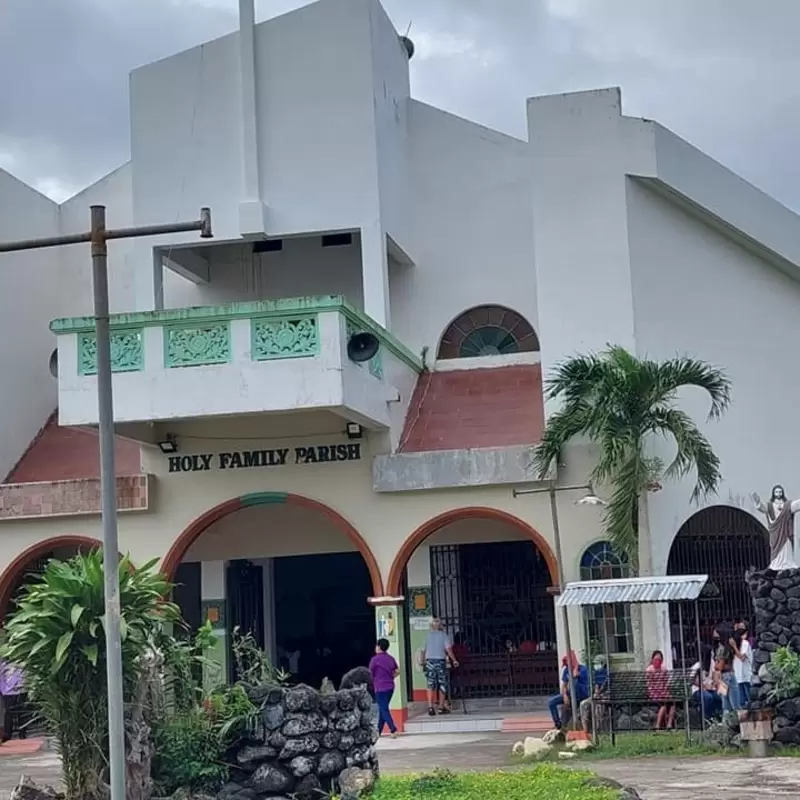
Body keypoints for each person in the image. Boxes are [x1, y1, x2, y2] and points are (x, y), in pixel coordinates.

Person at [421, 618, 459, 717]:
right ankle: (441, 707)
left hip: (430, 662)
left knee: (430, 684)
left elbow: (423, 650)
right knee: (442, 684)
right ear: (440, 626)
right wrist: (454, 660)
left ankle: (430, 706)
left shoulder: (427, 636)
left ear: (431, 626)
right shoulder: (444, 635)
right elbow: (449, 650)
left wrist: (422, 661)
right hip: (440, 661)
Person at [548, 650, 589, 730]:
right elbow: (564, 684)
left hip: (581, 695)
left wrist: (575, 676)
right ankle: (558, 724)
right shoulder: (566, 670)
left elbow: (578, 686)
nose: (567, 666)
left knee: (576, 683)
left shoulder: (583, 669)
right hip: (570, 695)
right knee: (551, 702)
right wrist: (565, 695)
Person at [369, 638, 399, 738]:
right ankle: (378, 731)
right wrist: (391, 677)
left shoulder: (375, 659)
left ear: (378, 647)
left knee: (383, 709)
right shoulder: (390, 658)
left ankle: (393, 729)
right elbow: (397, 671)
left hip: (380, 688)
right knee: (383, 709)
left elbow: (370, 673)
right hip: (390, 687)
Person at [712, 624, 741, 714]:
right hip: (728, 675)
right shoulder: (725, 647)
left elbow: (719, 665)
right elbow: (721, 664)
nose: (714, 632)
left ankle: (727, 724)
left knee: (726, 704)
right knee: (734, 703)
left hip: (723, 676)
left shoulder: (722, 647)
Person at [646, 650, 676, 730]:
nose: (657, 661)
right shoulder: (649, 670)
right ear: (652, 660)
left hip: (663, 693)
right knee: (664, 704)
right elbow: (649, 686)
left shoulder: (664, 669)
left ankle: (669, 724)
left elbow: (666, 683)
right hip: (654, 694)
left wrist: (665, 692)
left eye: (659, 660)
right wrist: (655, 693)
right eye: (655, 659)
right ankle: (658, 725)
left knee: (672, 703)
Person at [580, 655, 608, 735]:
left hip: (605, 696)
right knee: (583, 704)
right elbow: (596, 685)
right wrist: (596, 693)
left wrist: (599, 693)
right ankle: (585, 731)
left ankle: (597, 731)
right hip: (597, 696)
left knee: (597, 708)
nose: (596, 665)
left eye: (598, 663)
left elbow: (604, 686)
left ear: (603, 663)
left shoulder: (607, 673)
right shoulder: (596, 673)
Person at [690, 645, 720, 723]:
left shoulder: (712, 663)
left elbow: (714, 675)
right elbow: (691, 680)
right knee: (708, 697)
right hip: (698, 690)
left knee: (719, 696)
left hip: (710, 688)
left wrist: (715, 683)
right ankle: (705, 718)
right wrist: (704, 686)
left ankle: (717, 717)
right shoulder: (697, 665)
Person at [0, 660, 26, 742]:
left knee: (21, 711)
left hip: (21, 689)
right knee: (8, 712)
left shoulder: (21, 660)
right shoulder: (2, 662)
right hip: (7, 691)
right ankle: (7, 734)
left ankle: (22, 733)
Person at [733, 623, 753, 706]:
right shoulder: (737, 643)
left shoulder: (745, 643)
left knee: (749, 700)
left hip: (745, 676)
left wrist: (734, 647)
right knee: (741, 702)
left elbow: (742, 657)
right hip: (738, 676)